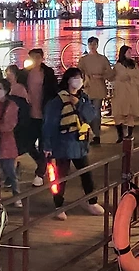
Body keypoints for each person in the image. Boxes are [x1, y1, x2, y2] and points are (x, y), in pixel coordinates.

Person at [41, 68, 104, 220]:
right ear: (68, 80)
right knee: (61, 177)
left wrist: (79, 104)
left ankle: (91, 201)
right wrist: (47, 146)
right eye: (75, 77)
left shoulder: (83, 98)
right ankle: (58, 205)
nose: (78, 81)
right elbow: (49, 124)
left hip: (79, 143)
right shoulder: (57, 101)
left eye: (80, 78)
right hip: (62, 143)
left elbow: (91, 115)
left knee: (86, 173)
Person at [8, 65, 47, 187]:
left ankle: (40, 169)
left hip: (29, 119)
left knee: (28, 145)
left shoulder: (19, 88)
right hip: (23, 120)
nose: (7, 76)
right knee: (26, 146)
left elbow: (25, 104)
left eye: (9, 73)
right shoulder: (10, 87)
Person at [76, 37, 111, 143]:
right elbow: (78, 72)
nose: (92, 46)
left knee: (96, 112)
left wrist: (101, 76)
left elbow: (109, 73)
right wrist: (85, 77)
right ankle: (87, 133)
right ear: (88, 45)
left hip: (99, 88)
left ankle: (96, 135)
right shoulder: (83, 60)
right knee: (85, 112)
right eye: (91, 44)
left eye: (94, 44)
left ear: (97, 45)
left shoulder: (103, 59)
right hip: (87, 89)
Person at [111, 45, 139, 142]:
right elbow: (112, 77)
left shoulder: (134, 65)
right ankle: (120, 135)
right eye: (128, 52)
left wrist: (130, 79)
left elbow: (138, 78)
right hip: (120, 92)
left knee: (130, 114)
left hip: (132, 92)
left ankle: (129, 135)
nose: (130, 54)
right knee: (118, 114)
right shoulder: (117, 66)